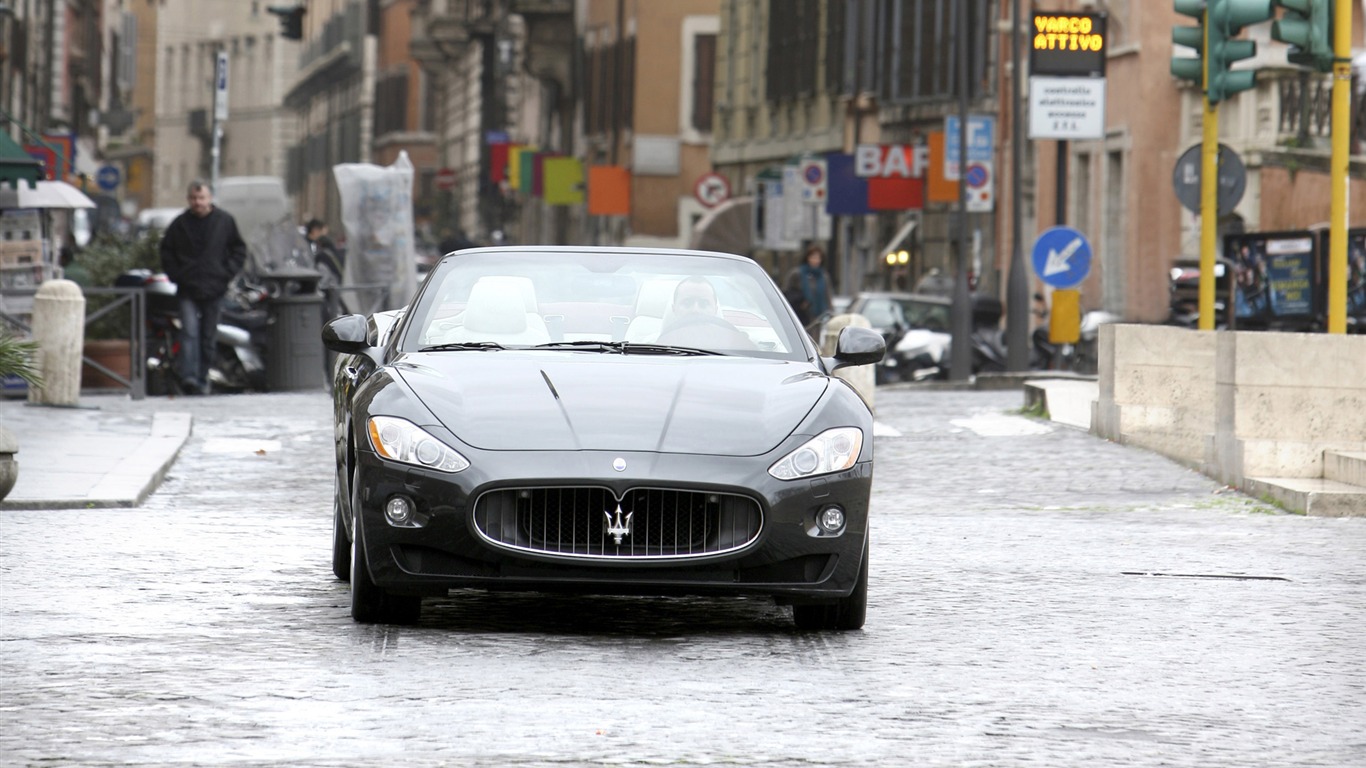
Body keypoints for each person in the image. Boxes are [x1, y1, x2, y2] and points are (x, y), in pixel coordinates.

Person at [160, 180, 247, 395]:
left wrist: (226, 273)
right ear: (189, 199)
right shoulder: (180, 224)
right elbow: (166, 251)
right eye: (194, 198)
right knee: (189, 333)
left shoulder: (224, 221)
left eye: (201, 198)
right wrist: (176, 275)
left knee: (208, 336)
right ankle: (189, 378)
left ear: (210, 198)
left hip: (214, 288)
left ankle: (202, 376)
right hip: (188, 288)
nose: (198, 202)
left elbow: (239, 249)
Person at [658, 276, 756, 350]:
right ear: (674, 309)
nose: (695, 310)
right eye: (687, 303)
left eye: (704, 303)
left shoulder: (738, 344)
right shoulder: (652, 349)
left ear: (715, 309)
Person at [784, 244, 834, 326]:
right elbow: (787, 292)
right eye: (813, 257)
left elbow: (828, 296)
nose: (816, 260)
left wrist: (830, 313)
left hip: (818, 318)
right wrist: (800, 301)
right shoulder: (797, 274)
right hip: (800, 315)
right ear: (807, 258)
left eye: (818, 258)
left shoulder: (824, 276)